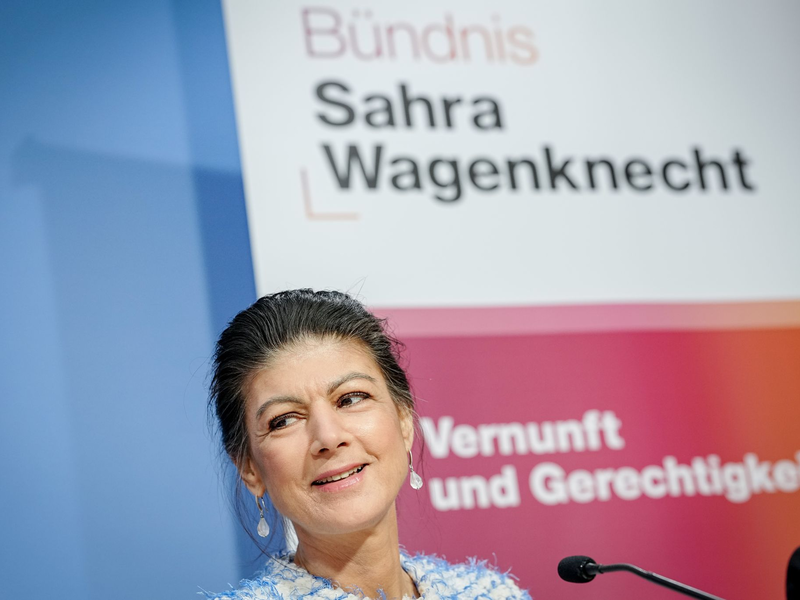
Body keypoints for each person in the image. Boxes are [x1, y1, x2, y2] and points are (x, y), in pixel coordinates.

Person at [207, 289, 531, 600]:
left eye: (351, 398)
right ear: (249, 468)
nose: (330, 437)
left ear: (404, 419)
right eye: (284, 420)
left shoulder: (494, 594)